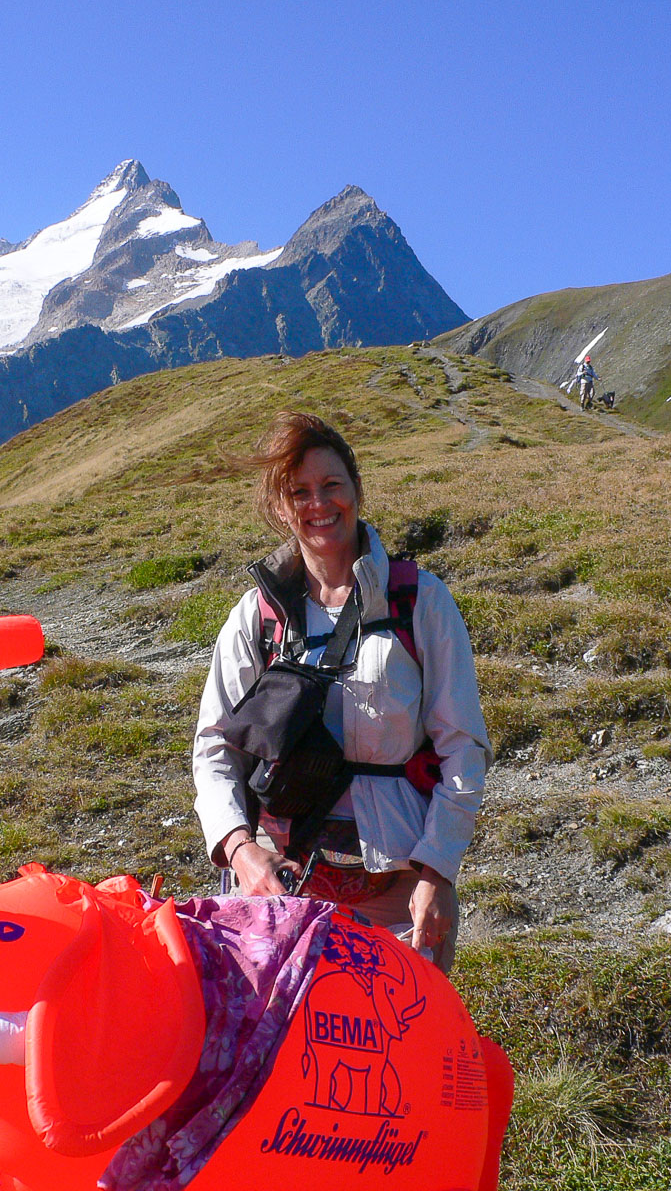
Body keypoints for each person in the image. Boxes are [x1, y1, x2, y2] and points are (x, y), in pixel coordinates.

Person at [192, 411, 491, 973]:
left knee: (396, 1054)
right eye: (299, 492)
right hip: (278, 887)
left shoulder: (420, 602)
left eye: (332, 485)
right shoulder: (253, 618)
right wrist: (240, 850)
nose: (318, 504)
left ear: (357, 489)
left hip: (398, 896)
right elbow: (214, 749)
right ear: (281, 508)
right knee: (283, 1057)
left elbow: (463, 748)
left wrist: (437, 875)